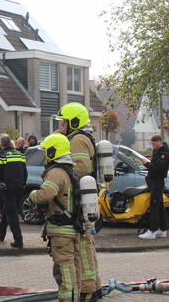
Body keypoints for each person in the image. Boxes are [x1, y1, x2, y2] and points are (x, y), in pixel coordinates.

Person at [55, 102, 102, 301]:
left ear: (74, 122)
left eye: (64, 122)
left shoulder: (77, 140)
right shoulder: (80, 137)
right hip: (84, 199)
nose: (61, 126)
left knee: (83, 247)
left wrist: (62, 173)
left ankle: (88, 290)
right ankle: (93, 287)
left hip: (79, 202)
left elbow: (81, 168)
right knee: (86, 245)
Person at [29, 133, 82, 302]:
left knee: (65, 269)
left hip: (61, 231)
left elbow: (45, 195)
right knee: (71, 268)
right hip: (71, 228)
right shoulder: (70, 171)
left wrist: (32, 195)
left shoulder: (56, 173)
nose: (45, 156)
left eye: (47, 152)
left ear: (53, 152)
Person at [0, 133, 27, 248]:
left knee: (11, 213)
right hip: (19, 188)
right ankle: (1, 233)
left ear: (1, 144)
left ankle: (18, 240)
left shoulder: (1, 155)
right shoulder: (20, 154)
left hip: (7, 188)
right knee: (7, 210)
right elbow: (25, 172)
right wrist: (23, 184)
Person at [138, 134, 169, 239]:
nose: (153, 146)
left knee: (154, 205)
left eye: (154, 144)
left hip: (158, 181)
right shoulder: (157, 151)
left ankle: (153, 230)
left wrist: (146, 163)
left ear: (159, 142)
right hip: (153, 181)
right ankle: (163, 229)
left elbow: (158, 168)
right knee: (160, 206)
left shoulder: (164, 154)